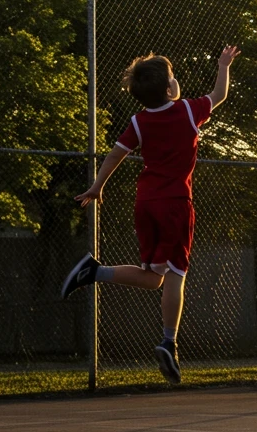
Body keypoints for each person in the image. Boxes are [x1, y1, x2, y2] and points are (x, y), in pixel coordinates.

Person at [61, 45, 241, 383]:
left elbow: (115, 155)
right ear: (169, 88)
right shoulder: (188, 110)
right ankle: (168, 342)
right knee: (175, 276)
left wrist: (97, 186)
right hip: (175, 204)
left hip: (145, 204)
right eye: (173, 78)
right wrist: (223, 64)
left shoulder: (139, 121)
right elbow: (220, 93)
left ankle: (93, 272)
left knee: (153, 276)